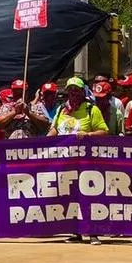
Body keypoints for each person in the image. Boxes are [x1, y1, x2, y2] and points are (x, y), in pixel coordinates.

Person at [47, 78, 108, 245]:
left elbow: (103, 131)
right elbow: (54, 129)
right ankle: (76, 232)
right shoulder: (61, 109)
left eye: (76, 90)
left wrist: (88, 135)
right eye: (70, 90)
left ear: (83, 92)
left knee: (89, 196)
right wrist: (44, 142)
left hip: (86, 162)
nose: (73, 93)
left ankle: (93, 232)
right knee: (70, 196)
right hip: (65, 162)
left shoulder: (91, 109)